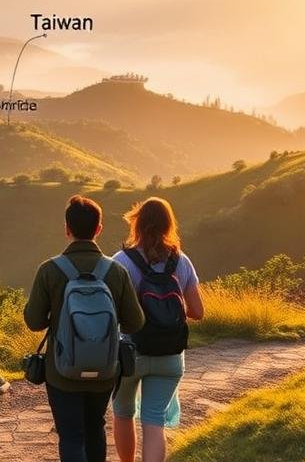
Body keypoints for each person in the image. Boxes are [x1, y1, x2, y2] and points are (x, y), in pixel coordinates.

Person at [24, 195, 145, 462]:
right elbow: (136, 322)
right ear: (99, 229)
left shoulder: (50, 270)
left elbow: (33, 322)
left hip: (61, 372)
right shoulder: (115, 271)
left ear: (67, 229)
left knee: (71, 436)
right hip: (104, 368)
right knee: (95, 429)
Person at [111, 197, 204, 462]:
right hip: (170, 356)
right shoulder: (181, 261)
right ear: (168, 225)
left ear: (137, 223)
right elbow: (197, 312)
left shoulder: (121, 261)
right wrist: (167, 312)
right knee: (154, 421)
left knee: (123, 412)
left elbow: (112, 312)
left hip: (130, 353)